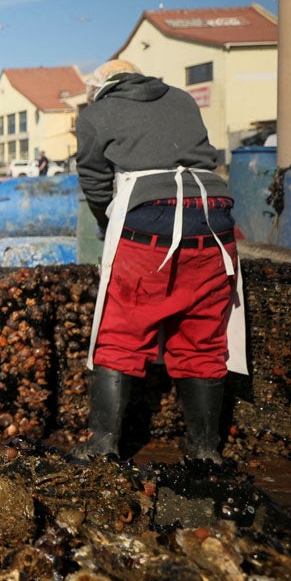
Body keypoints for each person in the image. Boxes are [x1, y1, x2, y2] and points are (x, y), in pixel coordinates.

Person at [69, 60, 243, 463]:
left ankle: (102, 445)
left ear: (98, 89)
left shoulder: (95, 114)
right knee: (202, 335)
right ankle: (204, 449)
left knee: (121, 333)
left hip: (151, 225)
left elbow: (94, 181)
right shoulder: (181, 98)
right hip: (214, 220)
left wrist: (108, 223)